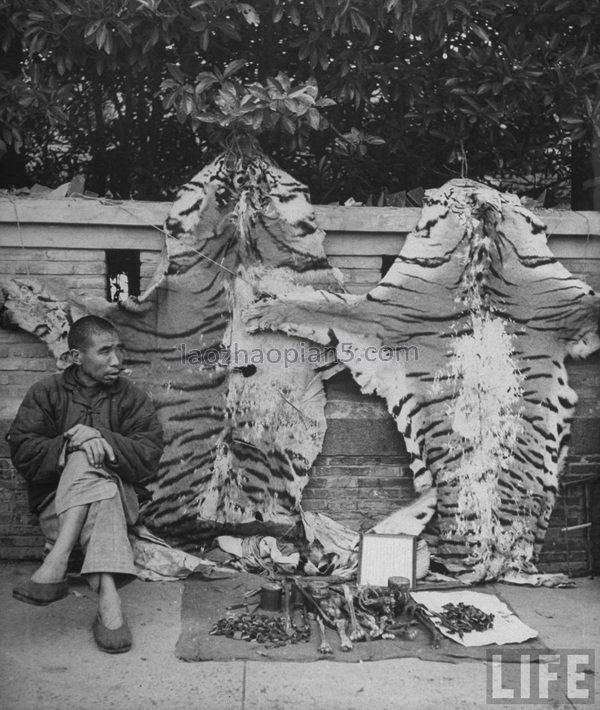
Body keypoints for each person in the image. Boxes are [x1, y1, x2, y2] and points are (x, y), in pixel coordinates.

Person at [7, 315, 164, 654]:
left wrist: (97, 436)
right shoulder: (46, 393)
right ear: (77, 357)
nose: (117, 361)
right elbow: (23, 451)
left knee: (91, 463)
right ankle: (109, 603)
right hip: (58, 506)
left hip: (124, 503)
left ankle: (56, 563)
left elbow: (149, 454)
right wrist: (71, 443)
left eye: (118, 350)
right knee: (86, 465)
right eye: (105, 352)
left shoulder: (131, 397)